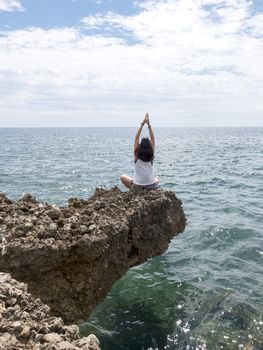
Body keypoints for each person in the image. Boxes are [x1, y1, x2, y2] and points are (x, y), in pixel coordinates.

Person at [120, 113, 160, 189]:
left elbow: (136, 138)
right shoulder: (151, 156)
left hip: (138, 186)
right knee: (157, 179)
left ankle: (134, 190)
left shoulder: (136, 155)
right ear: (149, 147)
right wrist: (148, 124)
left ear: (140, 146)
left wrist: (142, 124)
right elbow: (153, 139)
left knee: (122, 177)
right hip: (151, 186)